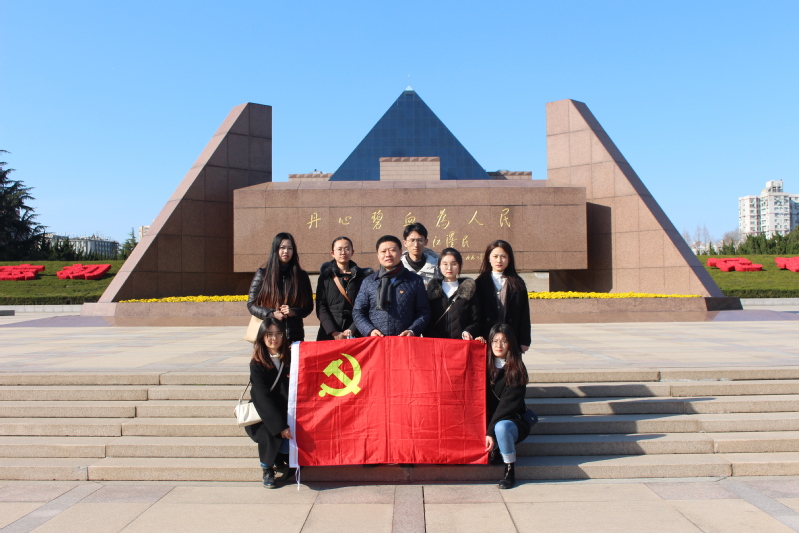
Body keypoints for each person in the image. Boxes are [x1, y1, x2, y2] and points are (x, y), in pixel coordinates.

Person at [245, 318, 294, 489]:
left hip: (287, 410)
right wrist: (280, 426)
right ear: (262, 337)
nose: (274, 338)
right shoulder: (257, 363)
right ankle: (267, 469)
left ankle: (282, 459)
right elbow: (262, 398)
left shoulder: (291, 357)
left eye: (278, 333)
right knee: (269, 432)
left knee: (290, 443)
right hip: (264, 413)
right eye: (269, 334)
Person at [353, 235, 431, 337]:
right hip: (376, 341)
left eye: (392, 250)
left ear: (401, 252)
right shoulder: (369, 282)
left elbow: (423, 311)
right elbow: (358, 311)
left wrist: (412, 330)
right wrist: (369, 330)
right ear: (378, 255)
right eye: (383, 251)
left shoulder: (415, 280)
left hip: (405, 341)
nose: (388, 255)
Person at [485, 323, 531, 490]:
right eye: (495, 340)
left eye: (504, 341)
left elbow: (507, 407)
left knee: (501, 428)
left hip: (512, 420)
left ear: (511, 343)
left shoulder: (516, 369)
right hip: (488, 419)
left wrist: (490, 432)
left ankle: (509, 470)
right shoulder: (483, 365)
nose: (499, 345)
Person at [247, 232, 314, 344]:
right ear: (275, 249)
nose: (286, 251)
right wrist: (271, 314)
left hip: (294, 335)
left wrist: (293, 312)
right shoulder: (263, 274)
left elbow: (309, 306)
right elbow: (251, 304)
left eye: (290, 248)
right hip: (270, 334)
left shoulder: (301, 276)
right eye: (282, 247)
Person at [475, 240, 531, 352]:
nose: (499, 260)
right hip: (486, 338)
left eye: (503, 256)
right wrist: (477, 335)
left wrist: (524, 341)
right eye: (495, 256)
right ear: (488, 258)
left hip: (511, 338)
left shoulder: (518, 283)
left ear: (509, 259)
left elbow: (524, 314)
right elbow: (475, 314)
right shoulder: (479, 283)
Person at [315, 236, 374, 341]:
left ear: (352, 252)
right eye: (339, 249)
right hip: (329, 333)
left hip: (355, 332)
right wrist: (333, 331)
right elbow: (321, 308)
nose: (343, 252)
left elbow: (366, 306)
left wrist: (352, 329)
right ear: (332, 253)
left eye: (347, 249)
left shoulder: (362, 277)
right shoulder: (325, 277)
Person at [423, 247, 484, 342]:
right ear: (439, 266)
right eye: (445, 264)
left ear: (459, 266)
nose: (449, 268)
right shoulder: (432, 291)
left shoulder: (468, 290)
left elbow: (475, 321)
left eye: (454, 264)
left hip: (460, 345)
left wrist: (468, 331)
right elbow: (427, 320)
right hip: (437, 345)